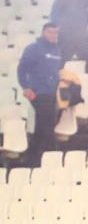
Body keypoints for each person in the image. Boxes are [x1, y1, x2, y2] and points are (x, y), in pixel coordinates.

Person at [15, 24, 63, 167]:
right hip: (38, 92)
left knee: (43, 126)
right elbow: (21, 69)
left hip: (52, 93)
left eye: (55, 33)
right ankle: (47, 158)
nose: (53, 35)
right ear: (43, 33)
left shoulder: (57, 50)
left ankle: (31, 158)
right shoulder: (33, 48)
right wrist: (25, 87)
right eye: (50, 32)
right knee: (46, 126)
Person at [48, 0, 88, 73]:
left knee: (87, 59)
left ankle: (85, 80)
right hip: (65, 33)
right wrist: (55, 27)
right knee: (61, 63)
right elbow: (56, 10)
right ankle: (60, 82)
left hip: (81, 32)